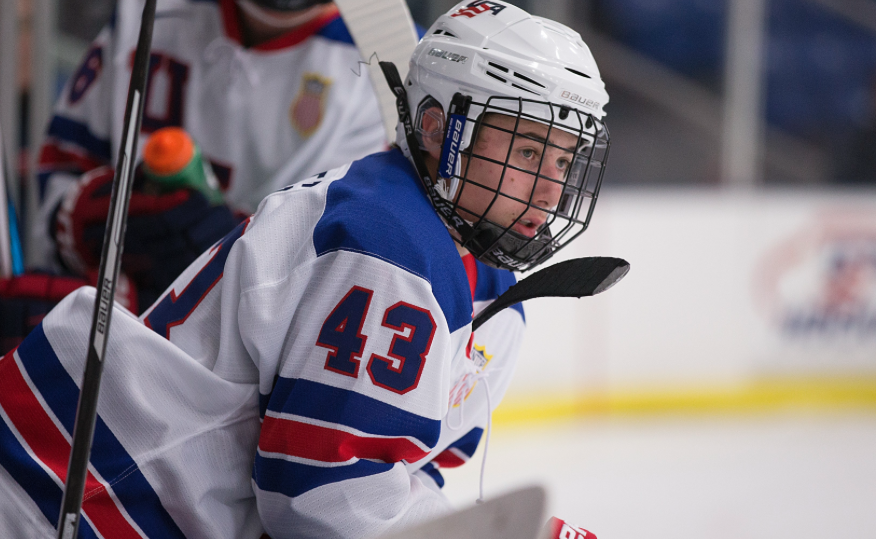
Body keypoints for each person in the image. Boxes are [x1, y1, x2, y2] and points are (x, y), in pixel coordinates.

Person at [0, 2, 611, 538]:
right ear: (437, 128)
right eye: (530, 151)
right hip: (67, 494)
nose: (551, 189)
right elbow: (323, 509)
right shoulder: (389, 246)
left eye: (563, 160)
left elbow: (387, 482)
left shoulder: (476, 276)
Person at [0, 0, 389, 348]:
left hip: (235, 387)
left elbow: (335, 299)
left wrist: (215, 266)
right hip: (106, 325)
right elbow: (60, 178)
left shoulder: (392, 72)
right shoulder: (147, 11)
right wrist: (88, 214)